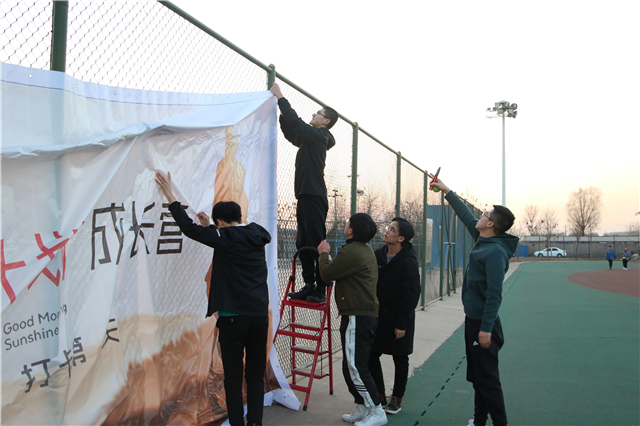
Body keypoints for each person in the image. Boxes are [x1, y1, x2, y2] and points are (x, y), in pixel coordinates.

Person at [155, 171, 271, 426]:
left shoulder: (224, 238)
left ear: (219, 221)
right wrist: (212, 227)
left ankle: (238, 424)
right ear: (239, 217)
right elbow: (230, 239)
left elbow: (188, 229)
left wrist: (170, 195)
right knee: (254, 375)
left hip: (232, 319)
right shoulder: (256, 234)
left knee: (232, 376)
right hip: (259, 317)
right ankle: (255, 423)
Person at [431, 177, 518, 426]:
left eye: (485, 214)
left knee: (489, 380)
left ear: (490, 224)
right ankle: (479, 421)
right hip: (474, 320)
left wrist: (486, 328)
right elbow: (466, 216)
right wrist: (446, 191)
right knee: (478, 377)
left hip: (484, 325)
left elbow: (494, 294)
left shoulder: (494, 252)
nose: (480, 215)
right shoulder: (485, 240)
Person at [270, 82, 338, 304]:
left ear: (325, 121)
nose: (314, 114)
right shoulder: (312, 139)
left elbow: (296, 124)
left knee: (315, 241)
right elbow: (292, 132)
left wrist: (281, 97)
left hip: (314, 195)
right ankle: (309, 283)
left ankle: (320, 287)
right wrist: (279, 109)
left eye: (318, 113)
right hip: (305, 195)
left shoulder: (319, 135)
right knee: (303, 242)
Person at [318, 213, 388, 426]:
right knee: (351, 365)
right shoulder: (362, 249)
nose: (346, 224)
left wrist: (323, 254)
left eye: (348, 222)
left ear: (351, 231)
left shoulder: (353, 251)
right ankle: (362, 405)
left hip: (358, 316)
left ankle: (376, 410)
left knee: (356, 366)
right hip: (358, 314)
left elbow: (327, 273)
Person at [368, 217, 421, 415]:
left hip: (400, 319)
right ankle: (380, 395)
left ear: (401, 238)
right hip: (378, 317)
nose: (386, 231)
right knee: (372, 354)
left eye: (391, 229)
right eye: (387, 227)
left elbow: (412, 294)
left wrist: (402, 324)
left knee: (400, 357)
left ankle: (397, 398)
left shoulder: (408, 261)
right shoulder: (378, 255)